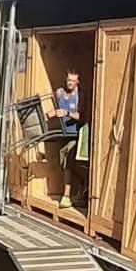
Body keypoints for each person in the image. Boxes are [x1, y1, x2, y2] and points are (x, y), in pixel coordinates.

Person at [53, 69, 82, 209]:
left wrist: (67, 113)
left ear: (77, 82)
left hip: (74, 134)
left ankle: (66, 196)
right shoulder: (60, 93)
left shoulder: (79, 96)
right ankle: (82, 185)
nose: (69, 83)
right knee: (63, 164)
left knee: (68, 164)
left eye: (72, 81)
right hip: (62, 133)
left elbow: (81, 115)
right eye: (68, 80)